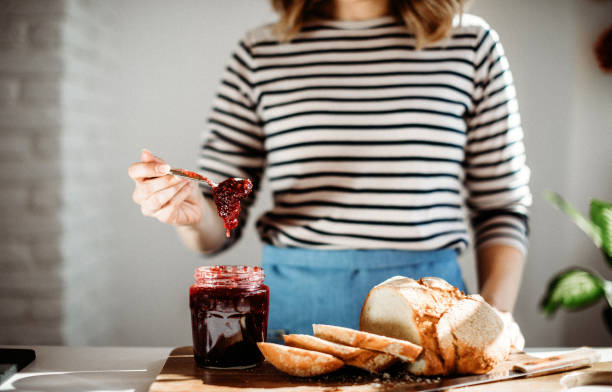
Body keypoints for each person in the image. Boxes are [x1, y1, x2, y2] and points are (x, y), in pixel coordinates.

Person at [128, 0, 529, 349]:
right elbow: (221, 212)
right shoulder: (260, 50)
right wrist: (193, 214)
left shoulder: (472, 45)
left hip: (432, 316)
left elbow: (502, 206)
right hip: (297, 317)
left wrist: (495, 315)